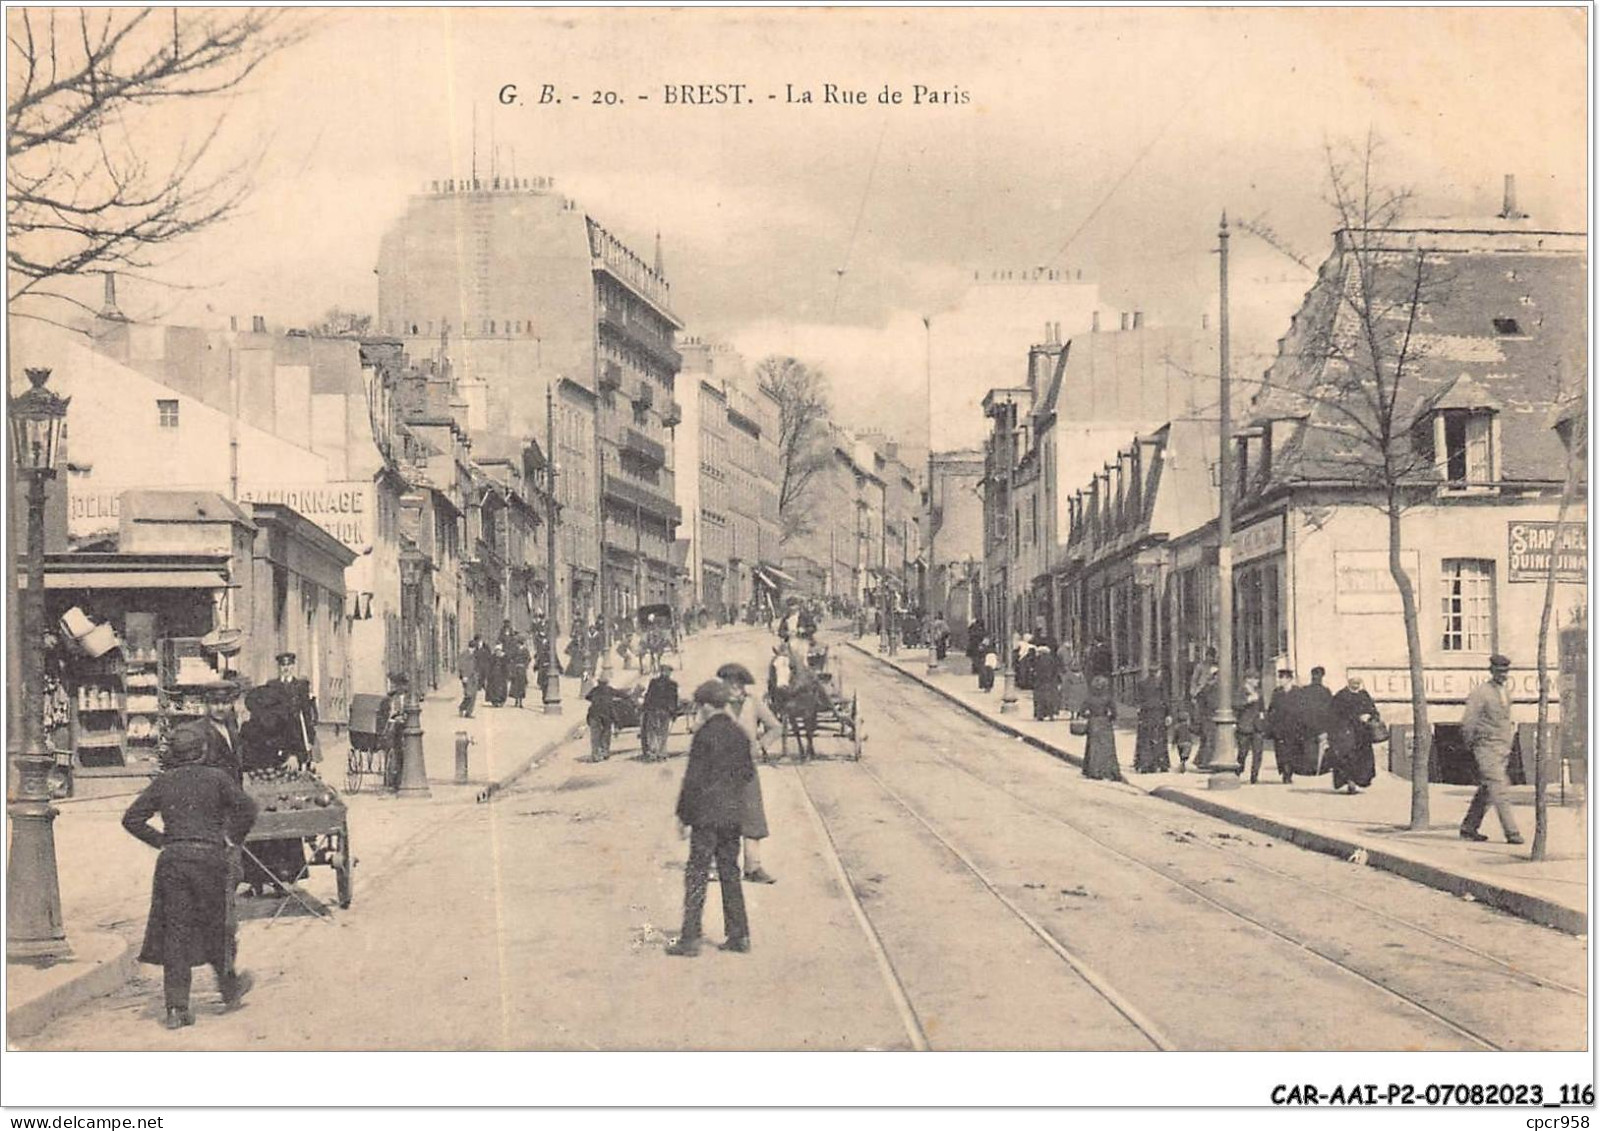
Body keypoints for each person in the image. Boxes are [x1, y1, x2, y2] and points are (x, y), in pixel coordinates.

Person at [122, 723, 258, 1029]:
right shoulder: (218, 779)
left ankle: (175, 1008)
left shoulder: (163, 782)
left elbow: (131, 818)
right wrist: (230, 838)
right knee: (216, 926)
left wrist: (163, 842)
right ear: (204, 751)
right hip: (210, 859)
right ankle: (229, 987)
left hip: (173, 862)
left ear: (174, 755)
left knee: (176, 932)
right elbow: (248, 809)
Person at [666, 680, 754, 957]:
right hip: (731, 816)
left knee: (696, 874)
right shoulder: (739, 734)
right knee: (730, 872)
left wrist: (683, 815)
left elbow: (693, 780)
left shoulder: (704, 735)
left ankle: (691, 939)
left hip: (705, 817)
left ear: (705, 705)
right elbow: (748, 773)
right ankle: (738, 936)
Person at [716, 662, 781, 884]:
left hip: (747, 769)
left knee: (752, 816)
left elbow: (775, 726)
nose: (733, 687)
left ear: (744, 686)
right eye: (729, 683)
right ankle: (717, 867)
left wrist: (761, 745)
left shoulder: (754, 704)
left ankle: (753, 868)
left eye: (738, 683)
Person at [1459, 654, 1523, 844]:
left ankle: (1469, 827)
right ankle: (1512, 833)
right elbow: (1468, 721)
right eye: (1499, 671)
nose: (1503, 675)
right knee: (1499, 788)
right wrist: (1471, 745)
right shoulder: (1481, 692)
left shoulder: (1505, 692)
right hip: (1486, 747)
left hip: (1502, 748)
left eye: (1505, 672)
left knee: (1488, 789)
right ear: (1491, 671)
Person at [1328, 675, 1379, 793]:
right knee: (1347, 758)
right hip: (1346, 733)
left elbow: (1373, 710)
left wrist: (1370, 716)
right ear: (1349, 682)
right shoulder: (1341, 696)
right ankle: (1350, 782)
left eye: (1358, 683)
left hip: (1362, 734)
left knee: (1362, 759)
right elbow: (1334, 714)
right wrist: (1356, 718)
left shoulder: (1364, 695)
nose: (1356, 685)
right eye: (1353, 682)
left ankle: (1357, 781)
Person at [1263, 666, 1302, 784]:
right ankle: (1285, 773)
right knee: (1280, 752)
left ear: (1289, 679)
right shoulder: (1277, 692)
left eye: (1283, 678)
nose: (1280, 680)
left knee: (1292, 751)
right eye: (1280, 677)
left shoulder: (1298, 692)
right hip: (1279, 728)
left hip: (1294, 728)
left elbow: (1302, 709)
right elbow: (1271, 709)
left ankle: (1289, 773)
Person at [1082, 675, 1123, 781]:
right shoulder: (1108, 698)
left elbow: (1082, 711)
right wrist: (1110, 718)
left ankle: (1094, 771)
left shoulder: (1089, 698)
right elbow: (1114, 712)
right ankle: (1109, 771)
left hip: (1093, 723)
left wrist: (1089, 716)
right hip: (1105, 723)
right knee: (1108, 748)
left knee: (1094, 748)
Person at [580, 669, 625, 763]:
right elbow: (621, 694)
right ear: (607, 683)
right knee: (606, 733)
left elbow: (587, 696)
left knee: (595, 735)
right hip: (606, 714)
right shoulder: (609, 690)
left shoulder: (595, 690)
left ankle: (596, 754)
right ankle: (604, 752)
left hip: (594, 714)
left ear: (598, 682)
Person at [1301, 666, 1336, 777]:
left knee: (1310, 745)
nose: (1316, 677)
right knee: (1315, 745)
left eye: (1318, 675)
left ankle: (1312, 768)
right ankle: (1317, 768)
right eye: (1315, 675)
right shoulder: (1325, 691)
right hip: (1318, 723)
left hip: (1311, 723)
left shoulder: (1306, 690)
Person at [641, 662, 679, 763]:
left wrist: (645, 707)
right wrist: (674, 713)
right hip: (665, 711)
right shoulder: (673, 684)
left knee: (652, 731)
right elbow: (674, 699)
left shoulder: (653, 682)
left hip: (653, 710)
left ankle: (653, 752)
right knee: (663, 732)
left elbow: (648, 696)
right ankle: (661, 753)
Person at [1133, 673, 1170, 773]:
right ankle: (1161, 764)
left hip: (1146, 713)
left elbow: (1137, 700)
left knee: (1145, 738)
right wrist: (1168, 714)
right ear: (1157, 672)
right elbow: (1166, 699)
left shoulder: (1141, 684)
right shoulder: (1161, 684)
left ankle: (1145, 764)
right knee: (1159, 738)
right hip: (1159, 713)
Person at [1235, 677, 1265, 784]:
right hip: (1244, 726)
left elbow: (1262, 709)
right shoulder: (1240, 691)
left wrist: (1262, 721)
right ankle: (1238, 771)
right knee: (1243, 752)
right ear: (1248, 680)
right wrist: (1248, 700)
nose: (1257, 681)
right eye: (1255, 679)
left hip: (1257, 727)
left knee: (1258, 753)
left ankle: (1254, 776)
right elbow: (1236, 705)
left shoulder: (1259, 692)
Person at [1032, 644, 1062, 721]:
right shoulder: (1052, 659)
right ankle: (1051, 714)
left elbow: (1036, 671)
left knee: (1040, 699)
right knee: (1051, 699)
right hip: (1051, 682)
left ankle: (1040, 715)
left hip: (1041, 682)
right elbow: (1056, 670)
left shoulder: (1038, 660)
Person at [459, 637, 482, 717]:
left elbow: (477, 665)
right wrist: (464, 676)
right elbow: (461, 666)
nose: (473, 650)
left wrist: (477, 675)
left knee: (474, 695)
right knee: (468, 695)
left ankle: (469, 712)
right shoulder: (464, 654)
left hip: (474, 677)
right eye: (472, 648)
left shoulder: (475, 655)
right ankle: (462, 708)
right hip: (467, 677)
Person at [1062, 653, 1089, 719]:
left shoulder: (1069, 674)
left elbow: (1065, 683)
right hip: (1079, 689)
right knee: (1079, 702)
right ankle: (1078, 714)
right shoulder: (1081, 674)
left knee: (1072, 703)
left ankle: (1073, 714)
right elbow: (1084, 682)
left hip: (1072, 689)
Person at [508, 634, 532, 708]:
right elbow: (511, 657)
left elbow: (528, 659)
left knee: (521, 685)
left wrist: (525, 665)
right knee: (516, 685)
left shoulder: (525, 650)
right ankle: (516, 701)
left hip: (522, 669)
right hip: (516, 669)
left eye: (519, 644)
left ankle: (520, 701)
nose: (518, 645)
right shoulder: (515, 650)